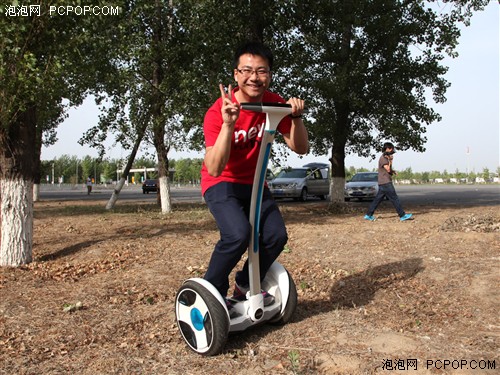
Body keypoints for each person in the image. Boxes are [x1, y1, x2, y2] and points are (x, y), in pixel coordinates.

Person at [201, 41, 309, 311]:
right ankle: (211, 292)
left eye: (262, 71)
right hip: (221, 183)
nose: (254, 77)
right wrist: (229, 124)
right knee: (238, 234)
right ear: (236, 75)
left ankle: (245, 284)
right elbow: (214, 167)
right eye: (247, 70)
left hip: (255, 184)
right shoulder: (218, 111)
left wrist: (295, 117)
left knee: (276, 236)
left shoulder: (274, 103)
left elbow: (300, 148)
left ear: (269, 75)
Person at [364, 142, 413, 222]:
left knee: (377, 200)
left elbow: (389, 170)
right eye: (391, 149)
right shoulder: (383, 158)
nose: (392, 151)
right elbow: (388, 169)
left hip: (383, 182)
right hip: (386, 182)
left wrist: (393, 171)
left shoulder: (385, 158)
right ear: (388, 148)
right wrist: (390, 161)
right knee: (395, 199)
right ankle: (402, 215)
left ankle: (368, 215)